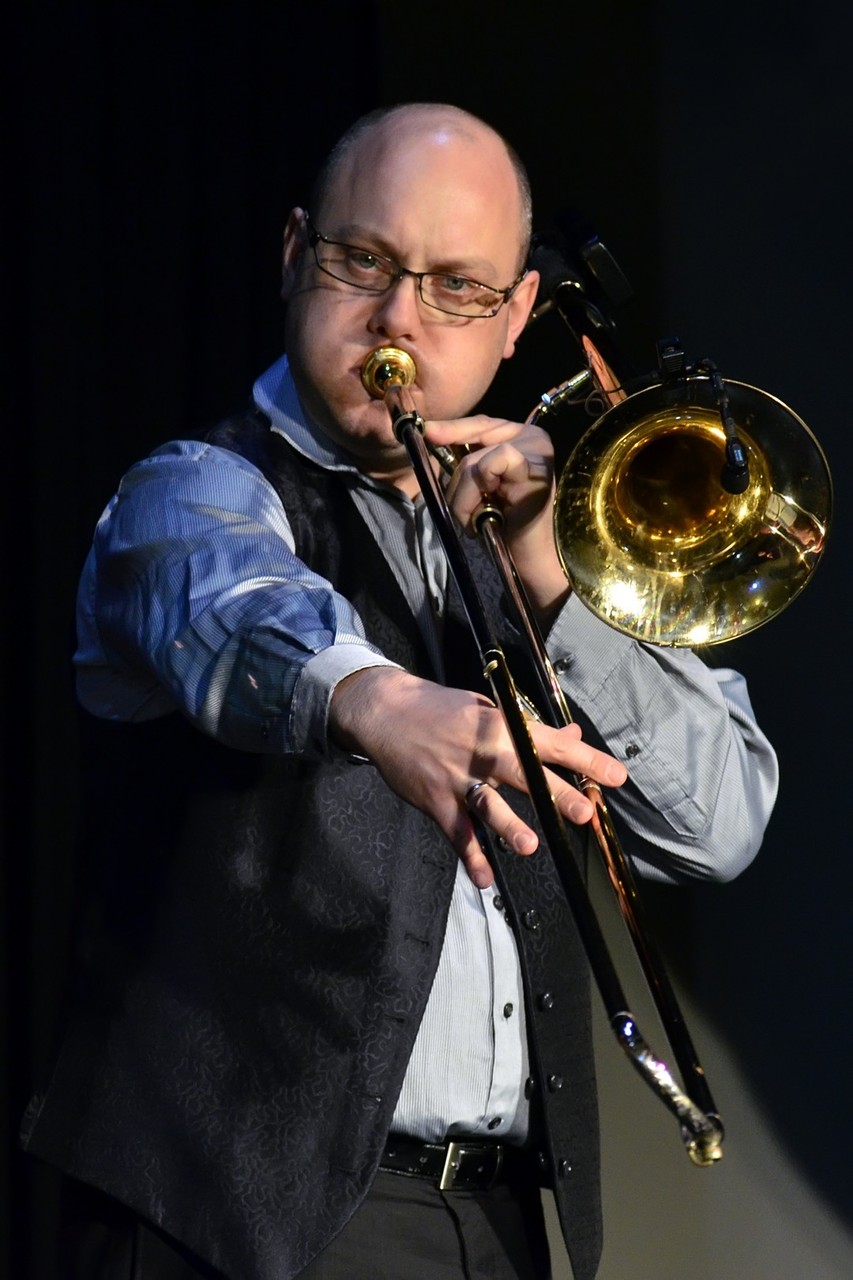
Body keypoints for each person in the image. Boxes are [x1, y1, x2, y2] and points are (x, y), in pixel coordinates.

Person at [20, 103, 778, 1280]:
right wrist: (376, 701)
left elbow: (719, 826)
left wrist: (555, 588)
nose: (399, 320)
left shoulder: (545, 534)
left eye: (457, 288)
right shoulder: (195, 486)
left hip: (498, 1223)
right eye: (362, 261)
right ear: (294, 254)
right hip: (221, 1224)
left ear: (518, 314)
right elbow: (232, 604)